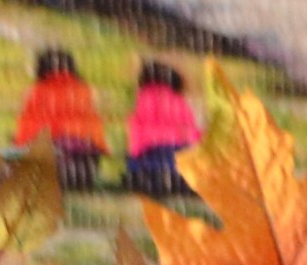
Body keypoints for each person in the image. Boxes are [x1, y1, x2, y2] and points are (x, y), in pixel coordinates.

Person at [13, 48, 107, 189]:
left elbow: (24, 140)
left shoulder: (36, 93)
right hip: (85, 172)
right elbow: (97, 139)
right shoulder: (85, 91)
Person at [125, 60, 200, 196]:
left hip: (154, 157)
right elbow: (193, 134)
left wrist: (133, 156)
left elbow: (139, 133)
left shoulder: (145, 96)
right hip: (180, 158)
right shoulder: (179, 100)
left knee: (141, 170)